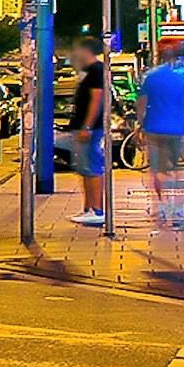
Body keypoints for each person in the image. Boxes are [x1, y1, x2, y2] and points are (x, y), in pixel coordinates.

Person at [141, 46, 184, 227]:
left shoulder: (152, 77)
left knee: (158, 170)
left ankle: (161, 206)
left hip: (154, 129)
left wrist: (140, 124)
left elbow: (141, 102)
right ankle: (177, 211)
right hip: (183, 131)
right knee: (182, 171)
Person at [69, 36, 111, 227]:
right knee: (85, 168)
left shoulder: (96, 71)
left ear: (86, 50)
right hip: (83, 127)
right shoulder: (88, 71)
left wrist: (87, 125)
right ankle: (89, 208)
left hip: (90, 129)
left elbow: (97, 98)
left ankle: (97, 209)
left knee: (92, 167)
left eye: (77, 49)